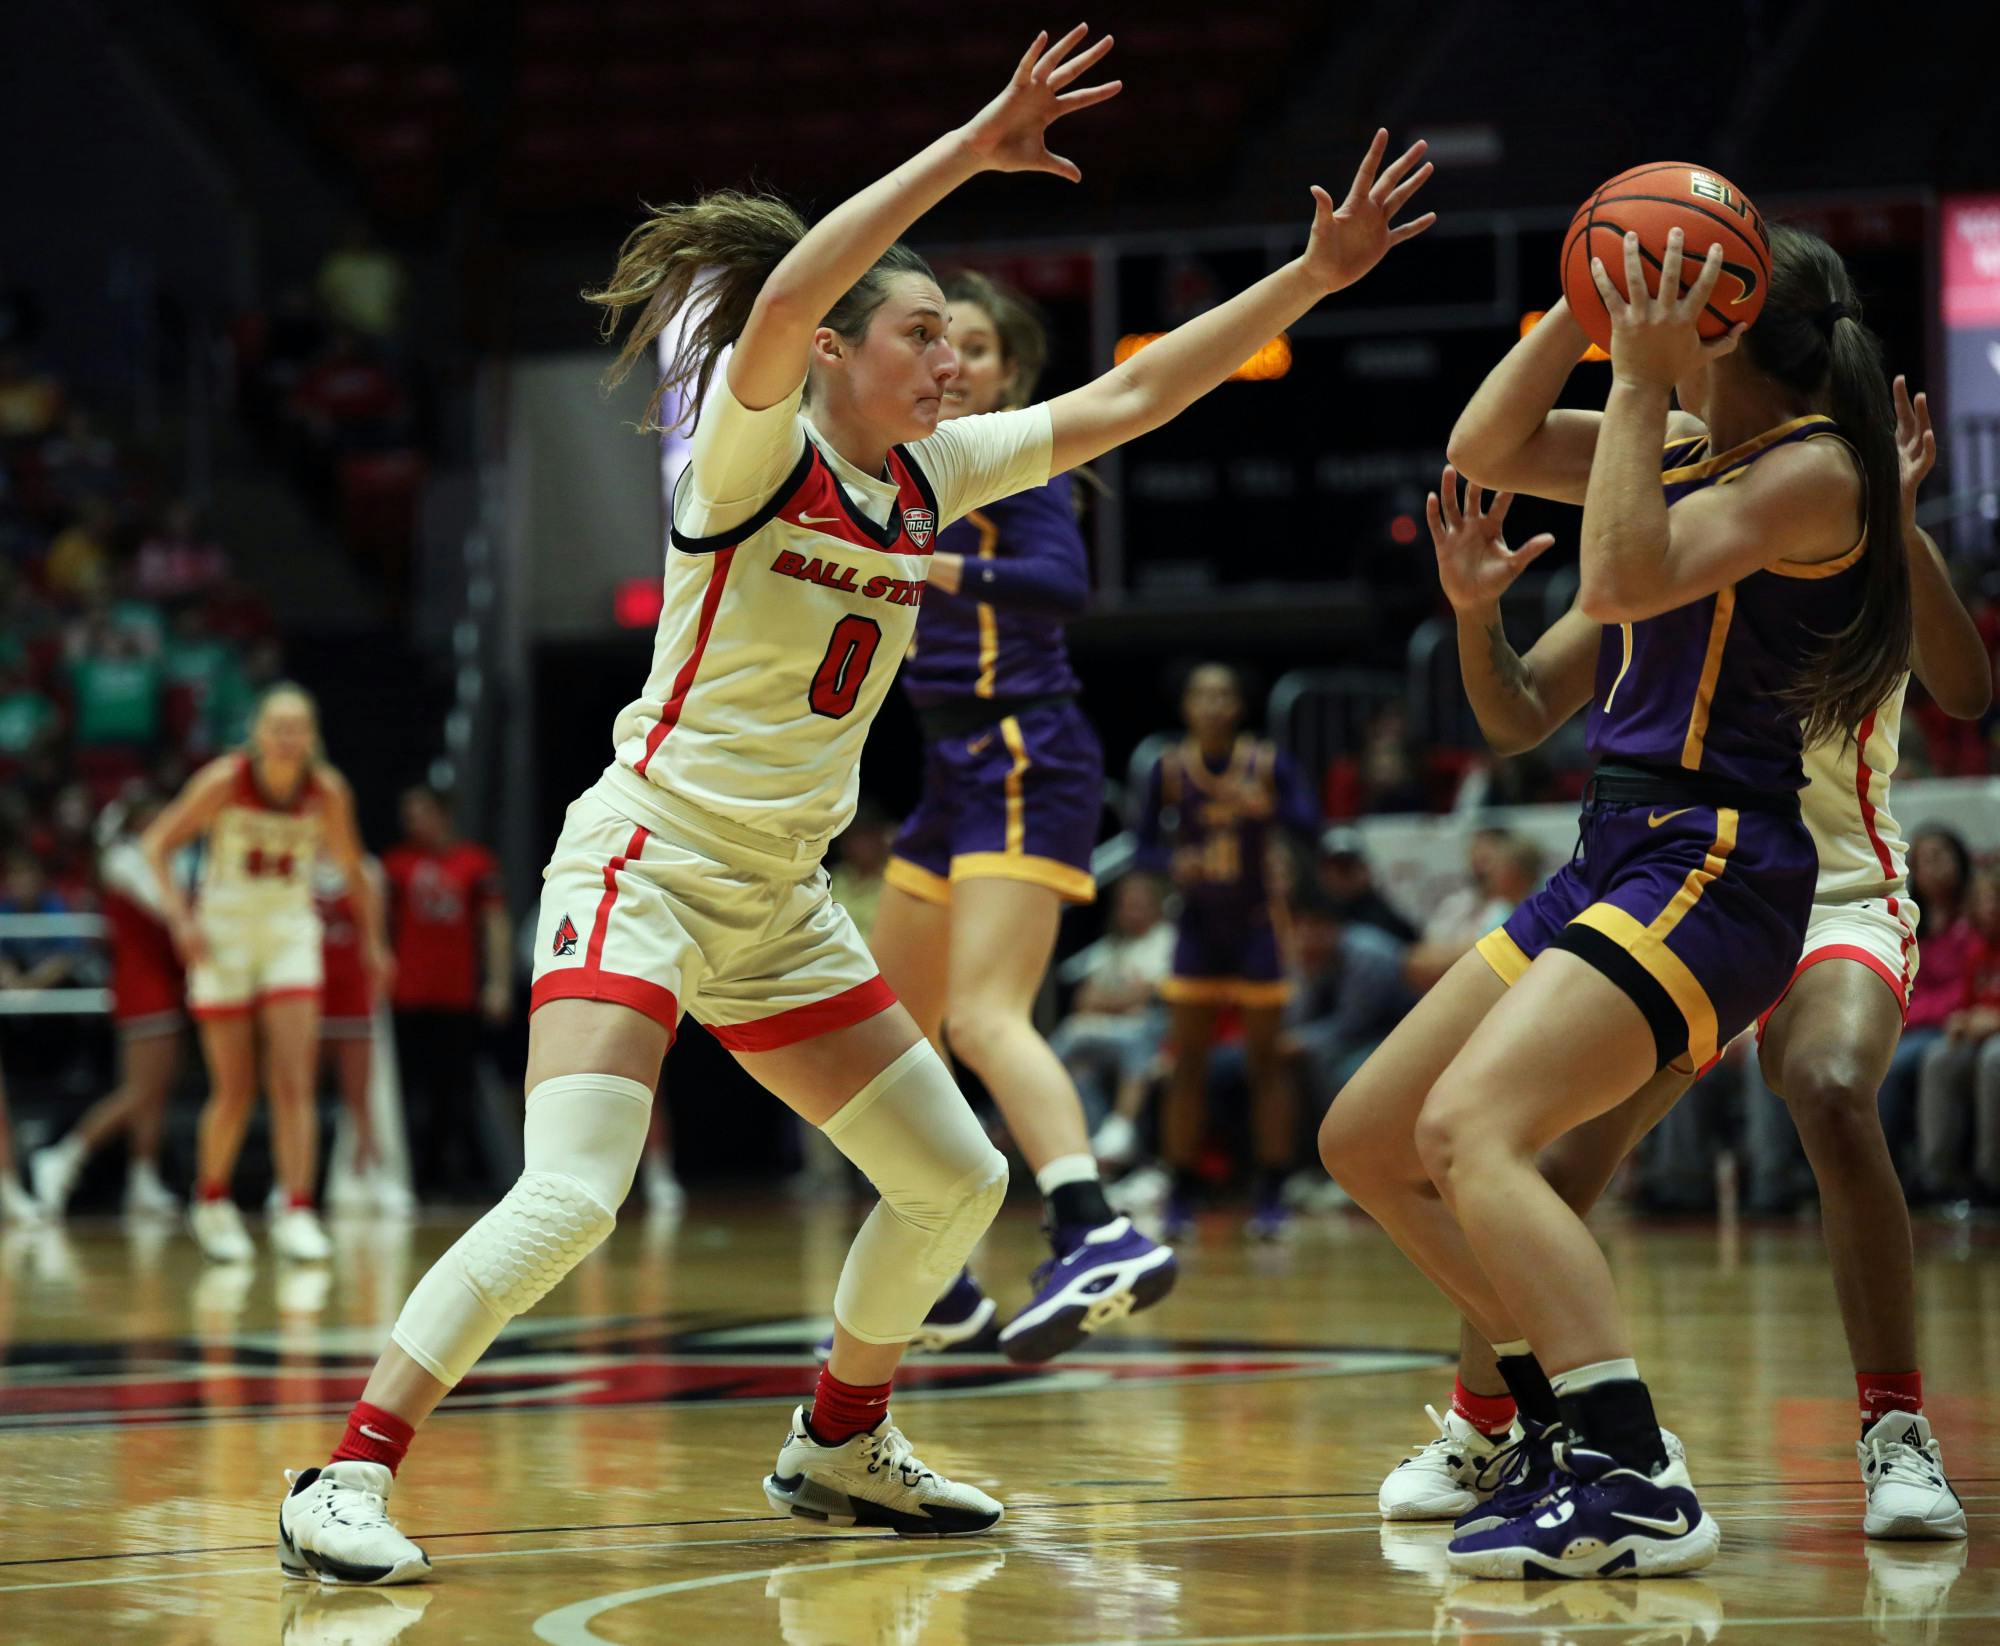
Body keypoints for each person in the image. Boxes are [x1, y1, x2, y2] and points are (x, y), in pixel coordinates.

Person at [273, 26, 1435, 1585]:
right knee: (572, 1194)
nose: (952, 366)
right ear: (833, 347)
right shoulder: (754, 446)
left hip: (777, 898)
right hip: (650, 861)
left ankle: (838, 1440)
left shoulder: (931, 475)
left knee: (956, 1176)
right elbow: (795, 288)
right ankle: (343, 1471)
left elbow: (1142, 389)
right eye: (923, 339)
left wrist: (1310, 279)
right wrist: (969, 145)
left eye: (957, 346)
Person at [1321, 219, 1917, 1578]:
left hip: (1720, 860)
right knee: (1367, 1136)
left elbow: (1623, 573)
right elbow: (1480, 451)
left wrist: (1644, 373)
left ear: (1729, 327)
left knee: (1477, 1129)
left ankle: (1632, 1468)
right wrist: (1581, 302)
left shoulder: (1818, 472)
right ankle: (1563, 1411)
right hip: (1619, 850)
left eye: (1677, 296)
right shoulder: (1681, 447)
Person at [865, 266, 1174, 1361]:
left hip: (1023, 746)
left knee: (984, 1017)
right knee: (883, 1039)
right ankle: (936, 1270)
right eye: (940, 340)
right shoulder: (900, 467)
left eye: (981, 347)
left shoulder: (1013, 460)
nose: (956, 364)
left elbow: (1059, 585)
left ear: (1013, 373)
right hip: (951, 765)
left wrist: (926, 562)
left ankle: (1093, 1225)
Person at [141, 684, 389, 1264]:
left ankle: (296, 1207)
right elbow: (156, 845)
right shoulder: (224, 781)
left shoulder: (326, 791)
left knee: (294, 1082)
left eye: (297, 726)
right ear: (257, 732)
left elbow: (354, 869)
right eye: (277, 726)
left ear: (312, 736)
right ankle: (212, 1201)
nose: (286, 737)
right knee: (234, 1087)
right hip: (223, 933)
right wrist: (181, 920)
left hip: (288, 932)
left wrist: (374, 943)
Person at [1137, 663, 1319, 1235]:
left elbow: (1312, 823)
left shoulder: (1266, 764)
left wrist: (1270, 809)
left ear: (1238, 706)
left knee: (1267, 1064)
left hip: (1258, 926)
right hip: (1197, 928)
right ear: (1187, 706)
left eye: (1224, 695)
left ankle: (1272, 1189)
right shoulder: (1167, 769)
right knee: (1184, 1063)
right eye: (1202, 694)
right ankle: (1180, 1188)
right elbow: (1142, 846)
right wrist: (1172, 863)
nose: (1213, 705)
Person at [30, 793, 187, 1218]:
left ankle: (143, 1179)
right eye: (160, 815)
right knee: (140, 1091)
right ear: (140, 820)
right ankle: (63, 1156)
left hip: (163, 986)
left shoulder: (153, 860)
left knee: (155, 1093)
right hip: (142, 988)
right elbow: (165, 909)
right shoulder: (126, 861)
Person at [380, 787, 510, 1199]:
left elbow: (495, 924)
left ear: (442, 814)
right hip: (407, 997)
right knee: (411, 1091)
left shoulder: (474, 863)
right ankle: (416, 1179)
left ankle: (458, 1177)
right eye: (408, 814)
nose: (412, 822)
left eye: (420, 812)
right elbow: (379, 926)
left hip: (456, 996)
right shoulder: (395, 866)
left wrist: (499, 983)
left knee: (456, 1091)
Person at [1914, 866, 2000, 1203]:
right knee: (1940, 1057)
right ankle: (1940, 1178)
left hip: (1994, 1038)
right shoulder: (1977, 952)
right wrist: (1962, 1020)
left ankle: (1991, 1178)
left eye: (1997, 899)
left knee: (1995, 1059)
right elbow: (1967, 1004)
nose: (1990, 907)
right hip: (1982, 1036)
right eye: (1983, 900)